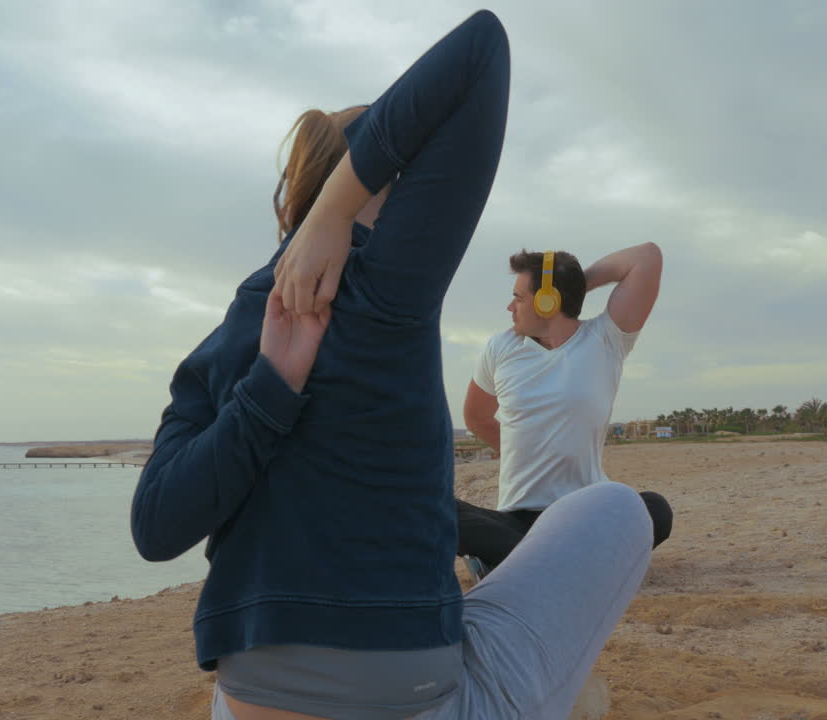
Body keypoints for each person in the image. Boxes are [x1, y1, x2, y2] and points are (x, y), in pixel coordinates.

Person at [132, 12, 652, 719]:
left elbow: (155, 528)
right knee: (618, 509)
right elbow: (480, 49)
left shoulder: (217, 348)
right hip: (413, 699)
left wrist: (268, 393)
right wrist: (337, 212)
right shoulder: (383, 285)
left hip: (249, 698)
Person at [456, 246, 673, 580]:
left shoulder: (605, 339)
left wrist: (573, 285)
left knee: (654, 509)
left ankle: (525, 563)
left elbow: (647, 257)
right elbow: (476, 417)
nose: (510, 307)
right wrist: (522, 452)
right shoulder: (501, 347)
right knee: (439, 509)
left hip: (585, 514)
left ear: (548, 301)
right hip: (518, 518)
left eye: (519, 298)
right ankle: (570, 563)